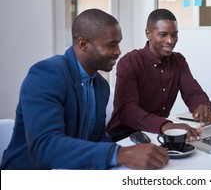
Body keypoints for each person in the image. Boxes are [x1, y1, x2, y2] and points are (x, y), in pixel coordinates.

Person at [1, 9, 168, 170]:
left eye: (118, 43)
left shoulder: (100, 86)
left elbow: (97, 139)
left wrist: (138, 153)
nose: (118, 51)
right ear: (83, 44)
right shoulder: (46, 75)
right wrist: (120, 154)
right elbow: (45, 147)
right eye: (111, 45)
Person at [107, 8, 211, 142]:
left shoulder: (178, 61)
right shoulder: (130, 62)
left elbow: (192, 92)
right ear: (148, 34)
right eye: (163, 34)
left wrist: (202, 106)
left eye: (174, 35)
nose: (170, 41)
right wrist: (166, 126)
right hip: (125, 136)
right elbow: (128, 111)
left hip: (156, 133)